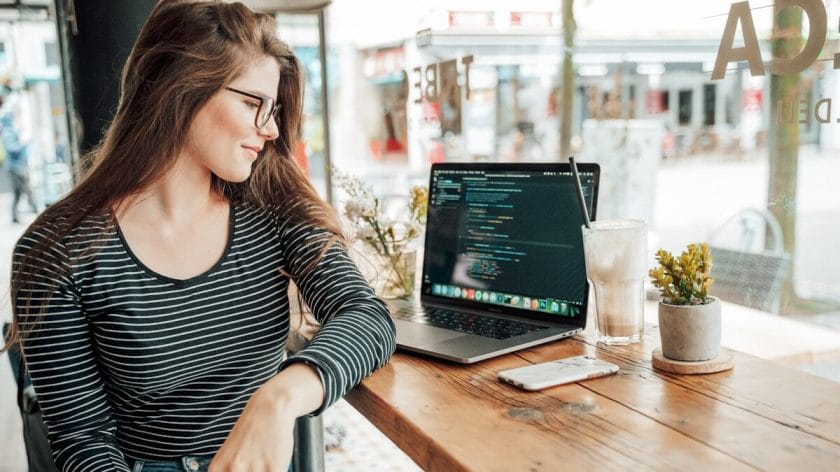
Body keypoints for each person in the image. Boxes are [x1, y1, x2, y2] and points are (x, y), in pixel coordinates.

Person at [4, 1, 396, 471]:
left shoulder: (274, 209)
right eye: (252, 103)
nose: (270, 129)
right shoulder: (55, 251)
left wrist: (276, 399)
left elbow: (367, 316)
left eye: (273, 109)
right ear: (179, 88)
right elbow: (82, 442)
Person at [2, 111, 38, 223]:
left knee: (19, 191)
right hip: (15, 167)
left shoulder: (11, 131)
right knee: (25, 189)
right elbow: (12, 148)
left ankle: (18, 215)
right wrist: (23, 143)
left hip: (18, 165)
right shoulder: (8, 132)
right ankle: (34, 210)